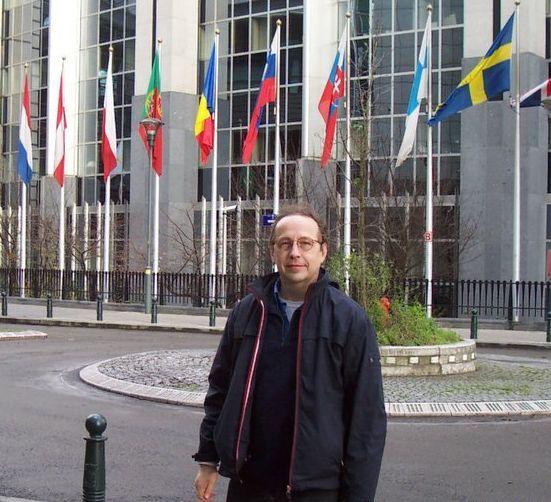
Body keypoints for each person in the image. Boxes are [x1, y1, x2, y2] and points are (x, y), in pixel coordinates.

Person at [193, 205, 386, 502]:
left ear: (322, 251)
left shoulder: (348, 320)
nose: (294, 252)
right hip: (250, 484)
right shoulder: (247, 311)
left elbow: (367, 420)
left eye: (305, 243)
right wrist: (208, 459)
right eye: (285, 244)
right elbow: (220, 389)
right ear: (273, 252)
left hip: (317, 489)